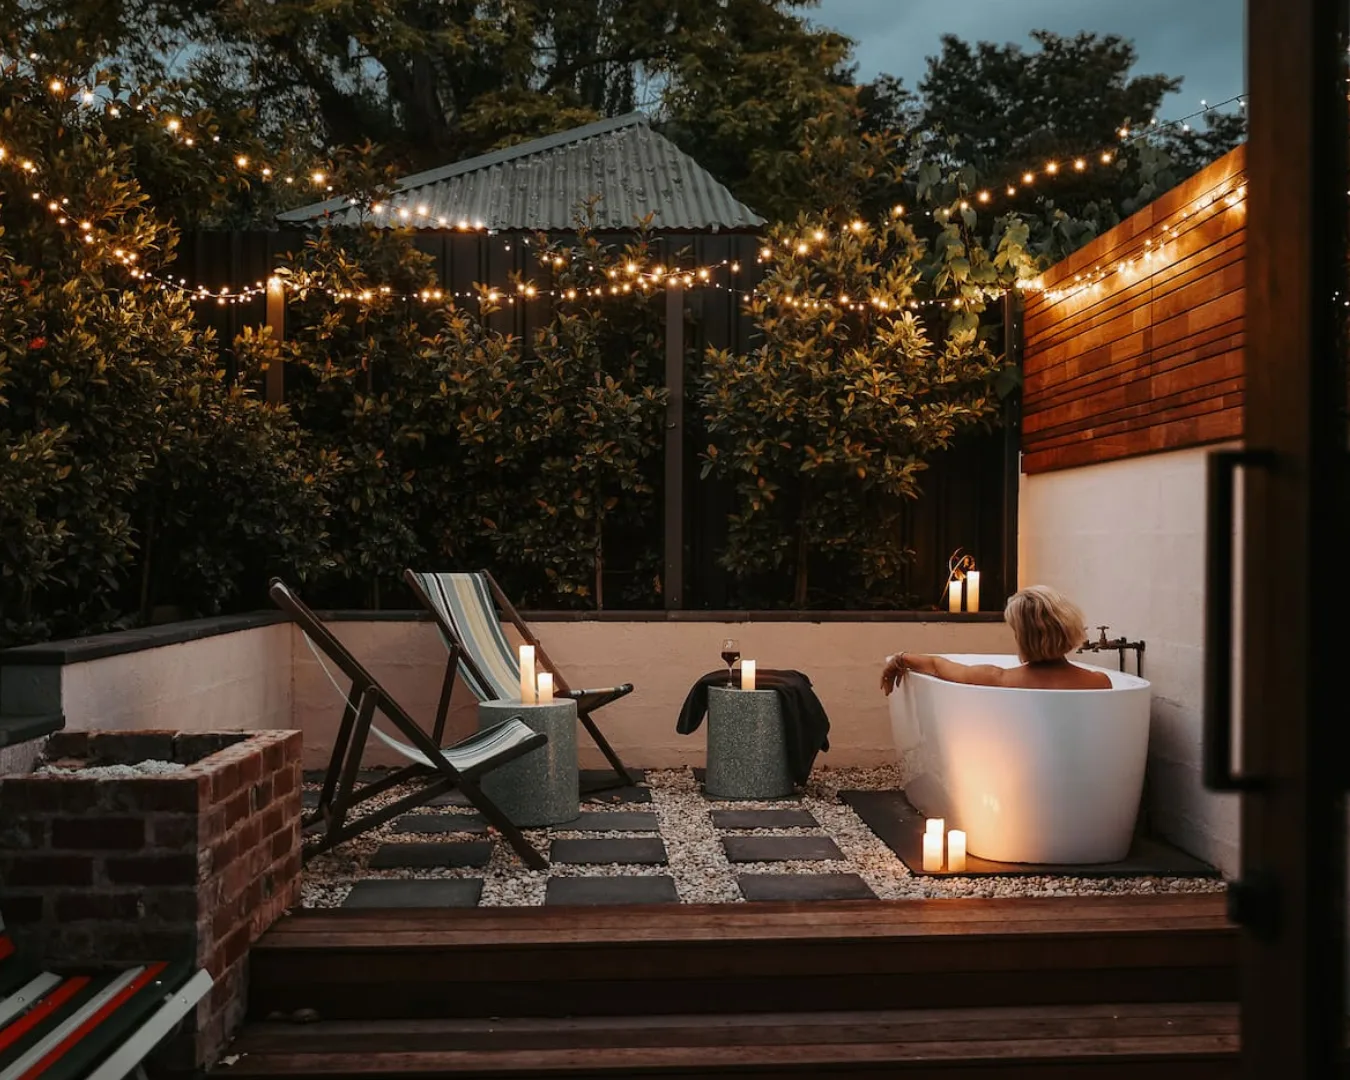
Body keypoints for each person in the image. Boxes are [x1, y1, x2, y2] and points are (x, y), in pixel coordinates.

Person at [880, 584, 1112, 694]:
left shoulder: (998, 679)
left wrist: (900, 659)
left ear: (1023, 636)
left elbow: (936, 665)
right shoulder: (1099, 683)